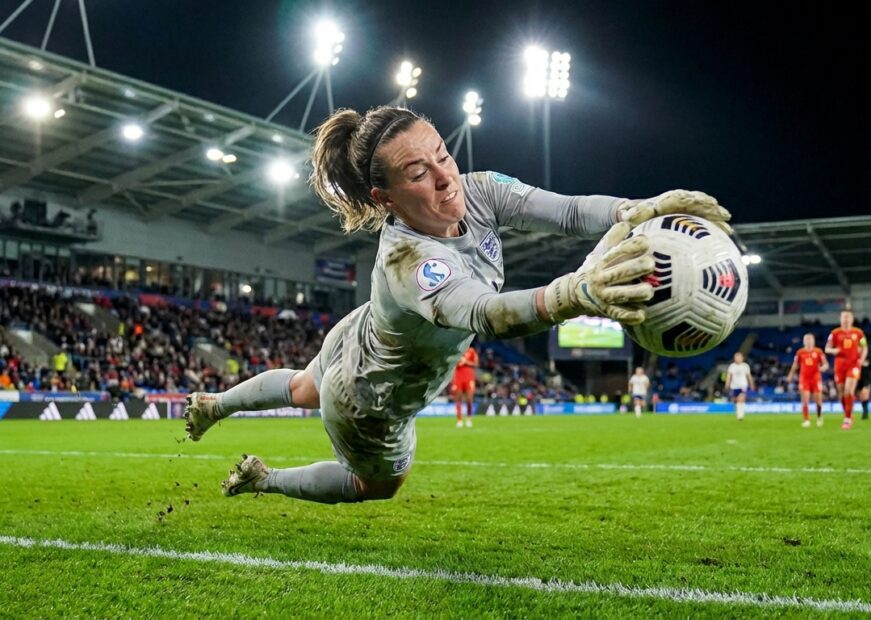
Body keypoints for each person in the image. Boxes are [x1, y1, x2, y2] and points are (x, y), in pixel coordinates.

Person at [183, 106, 729, 505]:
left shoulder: (480, 189)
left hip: (362, 332)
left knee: (304, 386)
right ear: (385, 198)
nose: (446, 178)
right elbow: (484, 313)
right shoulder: (409, 260)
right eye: (418, 173)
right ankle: (266, 479)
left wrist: (637, 209)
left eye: (442, 153)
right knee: (375, 486)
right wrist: (577, 293)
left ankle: (216, 405)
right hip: (370, 396)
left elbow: (565, 212)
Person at [825, 309, 867, 430]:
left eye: (848, 317)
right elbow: (827, 348)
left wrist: (861, 360)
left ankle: (847, 419)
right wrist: (834, 350)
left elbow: (864, 347)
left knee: (849, 390)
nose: (846, 319)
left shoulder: (858, 333)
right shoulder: (835, 333)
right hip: (839, 365)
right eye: (844, 317)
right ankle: (848, 413)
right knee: (841, 393)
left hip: (853, 365)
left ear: (852, 319)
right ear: (840, 319)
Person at [786, 333, 828, 427]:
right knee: (805, 400)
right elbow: (795, 365)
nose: (808, 341)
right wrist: (790, 376)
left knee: (818, 400)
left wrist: (823, 368)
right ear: (804, 341)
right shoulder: (800, 352)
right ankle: (806, 420)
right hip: (804, 379)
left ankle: (819, 417)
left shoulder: (818, 351)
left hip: (816, 378)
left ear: (813, 341)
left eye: (810, 339)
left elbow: (826, 364)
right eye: (806, 340)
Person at [451, 345, 478, 427]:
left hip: (469, 377)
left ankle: (469, 419)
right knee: (458, 399)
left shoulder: (471, 351)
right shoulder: (456, 350)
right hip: (458, 377)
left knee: (469, 399)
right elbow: (451, 363)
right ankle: (459, 420)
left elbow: (476, 364)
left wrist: (466, 362)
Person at [725, 352, 754, 421]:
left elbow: (749, 376)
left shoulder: (745, 366)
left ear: (742, 358)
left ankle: (740, 416)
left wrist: (751, 384)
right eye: (736, 358)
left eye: (739, 357)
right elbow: (729, 376)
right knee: (735, 401)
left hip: (743, 385)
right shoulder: (732, 366)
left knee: (741, 399)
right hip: (734, 386)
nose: (737, 359)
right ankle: (738, 413)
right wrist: (727, 383)